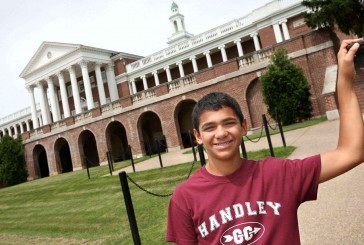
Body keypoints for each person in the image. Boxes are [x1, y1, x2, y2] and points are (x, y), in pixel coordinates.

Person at [166, 38, 364, 245]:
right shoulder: (184, 198)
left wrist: (345, 81)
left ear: (243, 127)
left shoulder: (277, 174)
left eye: (228, 123)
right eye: (210, 127)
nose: (221, 133)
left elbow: (352, 152)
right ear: (197, 137)